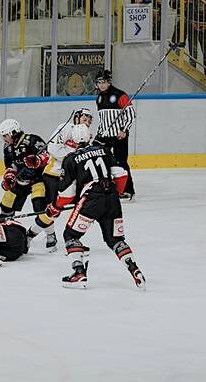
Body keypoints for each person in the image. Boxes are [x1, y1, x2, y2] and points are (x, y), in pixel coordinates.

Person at [45, 124, 146, 290]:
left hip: (91, 199)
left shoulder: (70, 159)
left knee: (70, 234)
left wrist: (55, 207)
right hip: (112, 199)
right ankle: (134, 270)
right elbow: (121, 174)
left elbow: (67, 194)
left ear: (72, 141)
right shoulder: (105, 151)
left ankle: (78, 273)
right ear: (89, 137)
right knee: (115, 240)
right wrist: (114, 192)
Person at [0, 118, 56, 251]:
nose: (4, 139)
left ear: (13, 132)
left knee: (40, 208)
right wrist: (9, 177)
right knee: (6, 203)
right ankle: (9, 228)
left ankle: (51, 234)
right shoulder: (8, 148)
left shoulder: (33, 140)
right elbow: (10, 166)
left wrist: (38, 160)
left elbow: (48, 156)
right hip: (21, 180)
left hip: (37, 180)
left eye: (5, 135)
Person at [94, 69, 136, 201]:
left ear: (109, 81)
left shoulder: (120, 95)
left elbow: (130, 114)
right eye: (99, 82)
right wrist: (99, 133)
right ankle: (103, 187)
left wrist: (124, 130)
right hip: (103, 136)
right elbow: (103, 119)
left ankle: (127, 191)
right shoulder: (99, 97)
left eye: (104, 82)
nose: (101, 85)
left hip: (118, 136)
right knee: (98, 159)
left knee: (121, 162)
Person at [43, 107, 93, 204]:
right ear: (77, 118)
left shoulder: (86, 134)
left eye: (89, 121)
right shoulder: (66, 127)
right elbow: (53, 148)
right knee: (52, 208)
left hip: (71, 178)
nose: (87, 123)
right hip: (54, 174)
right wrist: (73, 159)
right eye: (84, 120)